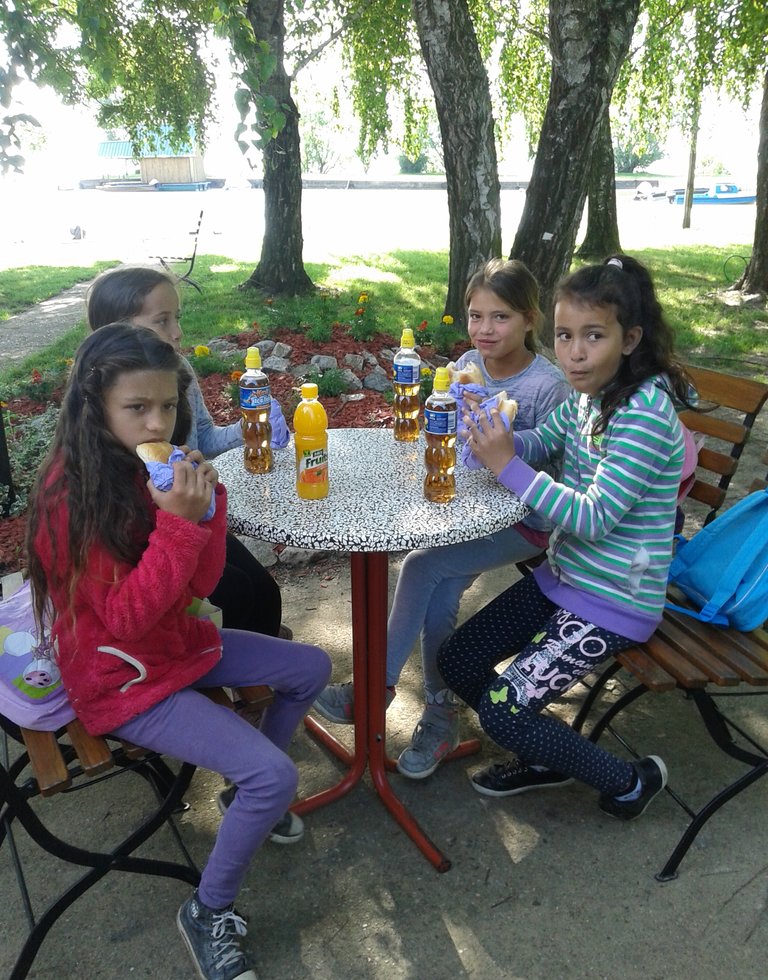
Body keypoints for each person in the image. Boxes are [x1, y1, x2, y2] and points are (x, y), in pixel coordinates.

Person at [25, 325, 332, 980]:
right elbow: (126, 619)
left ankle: (245, 798)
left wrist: (208, 511)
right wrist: (178, 525)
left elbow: (204, 583)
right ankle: (208, 910)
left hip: (173, 645)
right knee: (274, 774)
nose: (157, 423)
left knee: (310, 667)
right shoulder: (70, 497)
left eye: (167, 406)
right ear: (94, 406)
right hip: (118, 680)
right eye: (137, 408)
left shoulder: (153, 468)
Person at [436, 253, 691, 819]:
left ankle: (630, 782)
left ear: (629, 339)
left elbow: (594, 516)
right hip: (566, 579)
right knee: (458, 659)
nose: (574, 352)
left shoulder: (644, 414)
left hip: (614, 600)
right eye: (565, 335)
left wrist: (506, 466)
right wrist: (492, 429)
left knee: (502, 711)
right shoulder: (585, 397)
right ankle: (546, 750)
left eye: (593, 336)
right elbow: (539, 442)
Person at [313, 259, 569, 778]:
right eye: (476, 316)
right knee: (441, 596)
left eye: (500, 317)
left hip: (526, 522)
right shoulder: (468, 363)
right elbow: (445, 437)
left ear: (529, 319)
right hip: (465, 511)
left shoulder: (548, 387)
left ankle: (373, 689)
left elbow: (553, 463)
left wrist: (501, 437)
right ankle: (440, 713)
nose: (484, 330)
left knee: (421, 565)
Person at [86, 264, 290, 640]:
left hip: (192, 514)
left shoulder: (179, 371)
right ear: (115, 332)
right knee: (237, 595)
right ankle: (240, 660)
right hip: (150, 537)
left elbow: (204, 439)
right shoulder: (103, 402)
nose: (177, 332)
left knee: (264, 590)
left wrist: (251, 428)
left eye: (176, 318)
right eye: (162, 320)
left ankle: (261, 650)